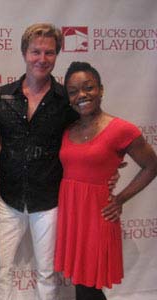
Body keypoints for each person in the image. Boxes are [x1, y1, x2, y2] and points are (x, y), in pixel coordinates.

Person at [0, 23, 79, 300]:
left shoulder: (66, 100)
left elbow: (88, 134)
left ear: (57, 55)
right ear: (24, 53)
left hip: (49, 200)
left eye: (49, 53)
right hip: (8, 198)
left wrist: (106, 164)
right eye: (36, 51)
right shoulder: (3, 95)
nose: (42, 59)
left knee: (47, 272)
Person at [54, 61, 157, 300]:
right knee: (81, 283)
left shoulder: (121, 129)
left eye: (88, 87)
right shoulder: (68, 129)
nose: (82, 95)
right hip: (72, 213)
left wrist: (120, 199)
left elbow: (152, 166)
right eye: (73, 91)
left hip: (98, 214)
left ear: (101, 89)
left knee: (89, 285)